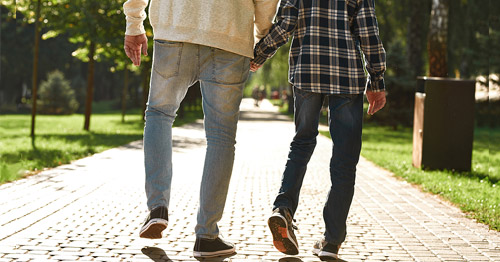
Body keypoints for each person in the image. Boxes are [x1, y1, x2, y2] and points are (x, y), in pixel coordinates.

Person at [123, 0, 279, 258]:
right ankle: (207, 235)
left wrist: (134, 23)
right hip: (231, 37)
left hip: (175, 28)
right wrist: (263, 37)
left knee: (159, 115)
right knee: (221, 137)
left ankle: (157, 208)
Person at [250, 0, 386, 260]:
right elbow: (368, 33)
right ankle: (331, 242)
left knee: (302, 143)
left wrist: (259, 54)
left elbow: (285, 25)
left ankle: (283, 209)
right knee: (345, 159)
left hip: (307, 72)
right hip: (346, 76)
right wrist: (377, 80)